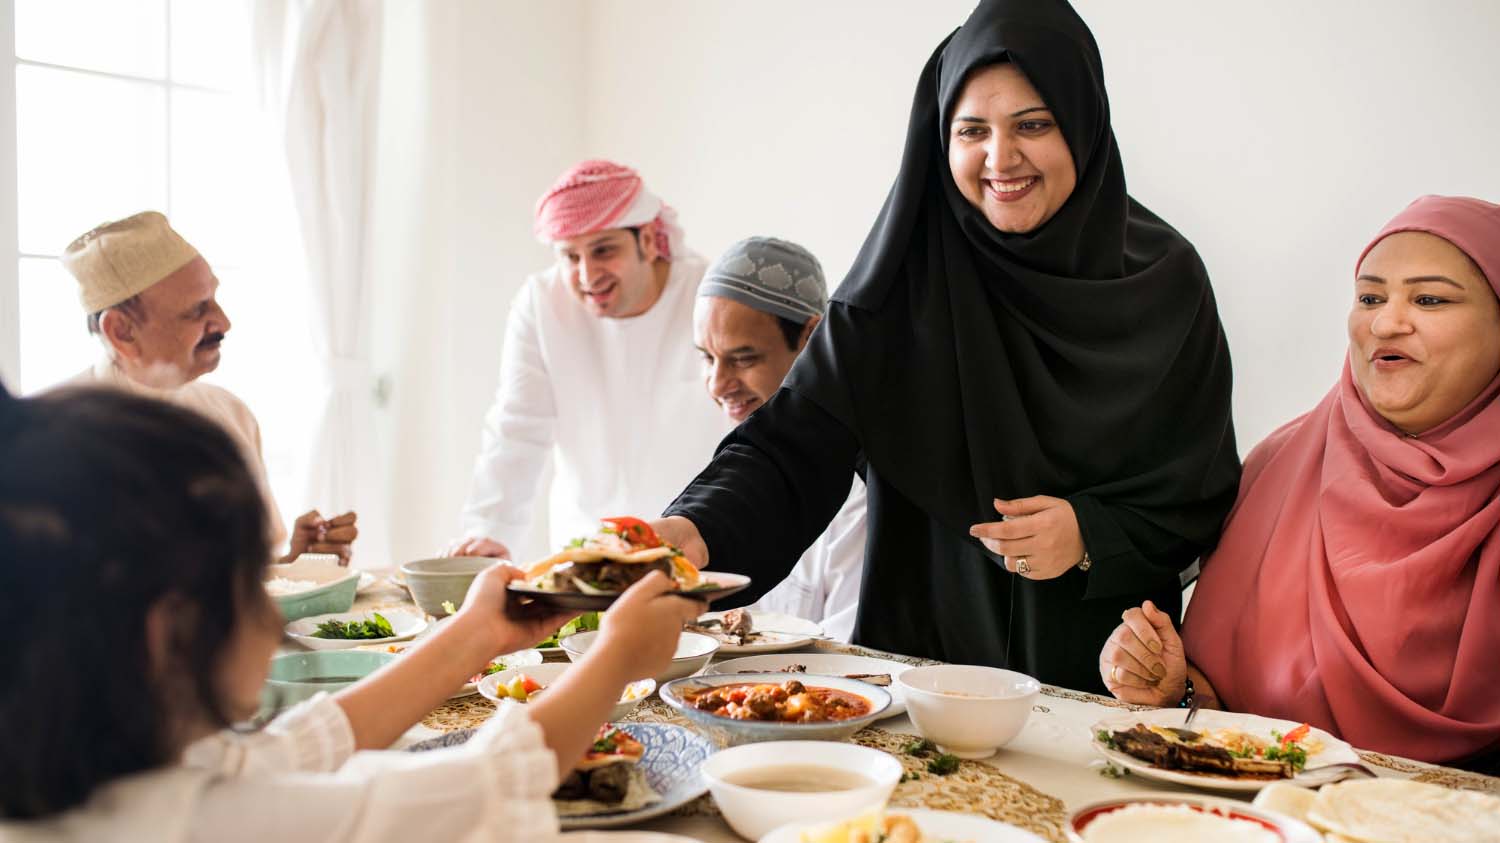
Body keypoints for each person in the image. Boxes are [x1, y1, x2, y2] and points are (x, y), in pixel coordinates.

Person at [654, 0, 1241, 693]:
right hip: (922, 674)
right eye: (972, 131)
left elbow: (1197, 487)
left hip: (1102, 673)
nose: (1001, 158)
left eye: (1033, 124)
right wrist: (694, 532)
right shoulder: (896, 287)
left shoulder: (1164, 283)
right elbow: (790, 450)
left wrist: (1091, 536)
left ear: (1083, 124)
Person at [0, 381, 705, 840]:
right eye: (253, 580)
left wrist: (477, 633)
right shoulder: (211, 825)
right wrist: (616, 656)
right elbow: (490, 782)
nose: (278, 620)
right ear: (168, 632)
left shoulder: (113, 779)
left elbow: (303, 744)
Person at [1100, 195, 1500, 767]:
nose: (1386, 321)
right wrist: (1169, 688)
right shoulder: (1281, 467)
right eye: (1369, 297)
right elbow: (1226, 706)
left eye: (1430, 299)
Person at [453, 160, 730, 560]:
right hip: (585, 550)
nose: (587, 275)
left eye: (604, 250)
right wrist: (490, 530)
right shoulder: (541, 303)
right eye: (570, 257)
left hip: (700, 545)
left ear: (650, 240)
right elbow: (517, 427)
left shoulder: (710, 296)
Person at [59, 211, 357, 565]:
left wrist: (297, 560)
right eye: (197, 310)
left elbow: (243, 575)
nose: (224, 322)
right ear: (122, 331)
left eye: (214, 298)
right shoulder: (55, 439)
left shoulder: (230, 412)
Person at [693, 237, 866, 640]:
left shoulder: (861, 495)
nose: (719, 384)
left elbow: (853, 661)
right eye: (706, 357)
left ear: (812, 338)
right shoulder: (720, 465)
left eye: (744, 358)